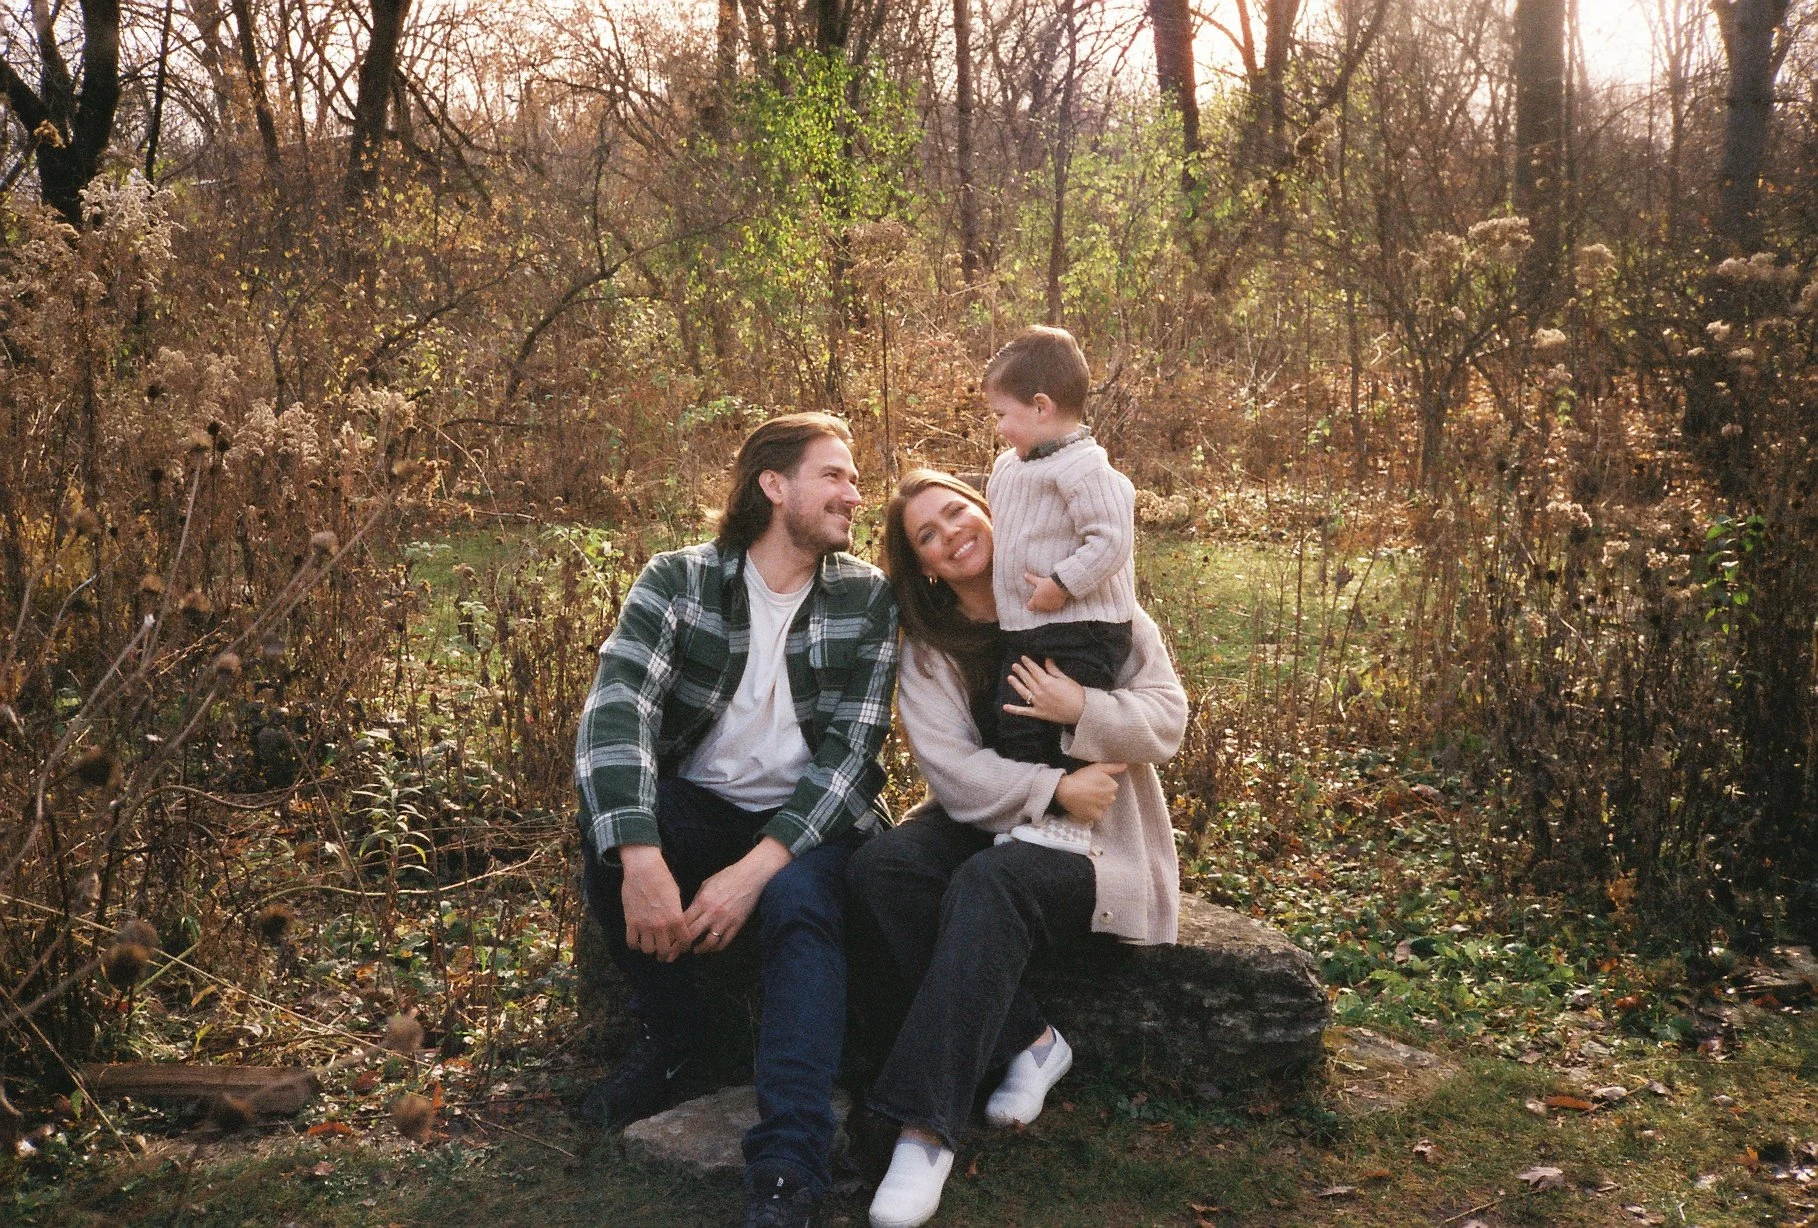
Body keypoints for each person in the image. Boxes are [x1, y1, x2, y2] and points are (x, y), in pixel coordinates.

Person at [573, 413, 899, 1228]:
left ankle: (790, 1161)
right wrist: (645, 859)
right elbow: (617, 713)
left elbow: (853, 758)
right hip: (705, 808)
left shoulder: (866, 599)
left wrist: (755, 871)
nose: (854, 494)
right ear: (773, 486)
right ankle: (676, 1039)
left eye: (854, 480)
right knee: (612, 834)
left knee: (800, 906)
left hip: (812, 827)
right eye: (835, 476)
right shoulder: (678, 580)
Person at [852, 470, 1186, 1228]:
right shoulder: (933, 649)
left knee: (991, 883)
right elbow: (953, 772)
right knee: (882, 868)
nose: (949, 534)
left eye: (956, 512)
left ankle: (922, 1131)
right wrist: (1050, 789)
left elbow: (1168, 721)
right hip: (999, 813)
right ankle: (1030, 1040)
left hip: (1097, 841)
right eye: (926, 537)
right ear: (925, 566)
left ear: (991, 510)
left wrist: (1084, 709)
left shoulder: (1094, 606)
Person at [981, 326, 1138, 855]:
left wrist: (1062, 584)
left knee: (1069, 725)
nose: (999, 427)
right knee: (1019, 719)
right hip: (1028, 626)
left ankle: (1073, 823)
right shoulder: (1013, 465)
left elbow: (1112, 538)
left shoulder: (1085, 467)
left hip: (1082, 627)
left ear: (1041, 407)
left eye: (1003, 414)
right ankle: (1039, 810)